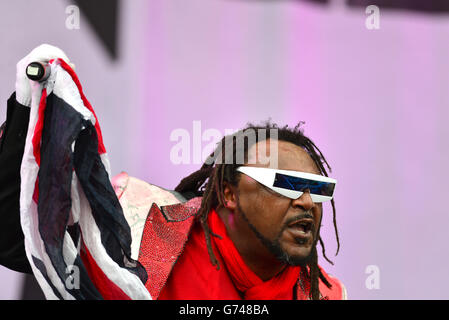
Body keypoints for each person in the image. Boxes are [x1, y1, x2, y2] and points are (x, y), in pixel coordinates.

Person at [0, 44, 346, 300]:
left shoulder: (326, 294)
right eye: (285, 185)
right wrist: (26, 113)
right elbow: (17, 244)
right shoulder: (142, 225)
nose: (306, 202)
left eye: (318, 189)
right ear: (229, 194)